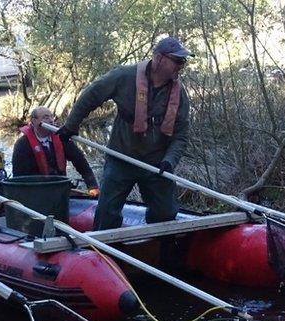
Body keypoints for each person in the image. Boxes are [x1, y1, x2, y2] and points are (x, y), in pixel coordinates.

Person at [58, 36, 192, 230]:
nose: (181, 65)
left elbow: (181, 135)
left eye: (183, 61)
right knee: (107, 213)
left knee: (166, 213)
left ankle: (159, 251)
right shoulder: (124, 76)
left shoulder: (179, 94)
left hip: (157, 162)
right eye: (177, 61)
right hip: (121, 156)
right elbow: (92, 95)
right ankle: (105, 251)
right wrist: (71, 125)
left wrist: (169, 161)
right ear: (159, 59)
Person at [12, 106, 99, 196]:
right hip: (36, 190)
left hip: (60, 187)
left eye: (51, 116)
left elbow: (81, 163)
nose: (51, 120)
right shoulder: (22, 144)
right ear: (34, 121)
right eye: (46, 117)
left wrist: (92, 186)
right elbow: (19, 177)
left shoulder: (62, 138)